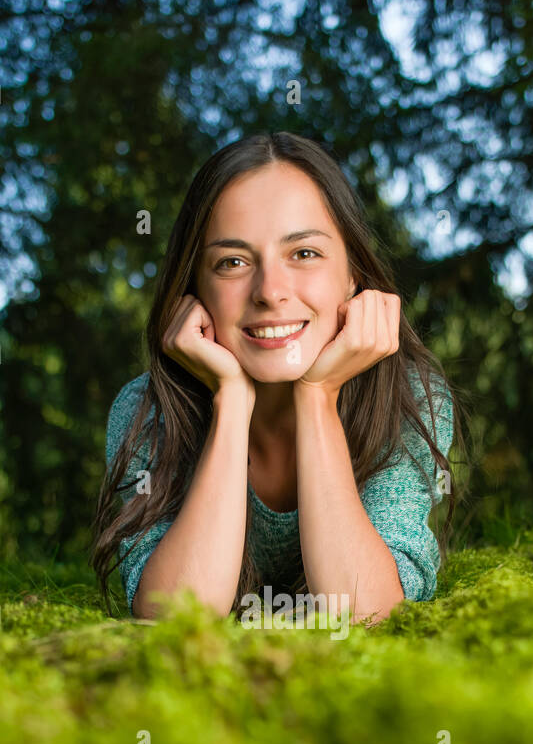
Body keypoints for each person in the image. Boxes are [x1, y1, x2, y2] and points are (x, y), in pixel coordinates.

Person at [91, 131, 462, 626]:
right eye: (233, 262)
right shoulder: (145, 411)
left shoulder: (409, 398)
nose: (269, 291)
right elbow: (174, 615)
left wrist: (318, 395)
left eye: (304, 253)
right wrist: (230, 401)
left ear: (352, 274)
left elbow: (368, 611)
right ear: (194, 287)